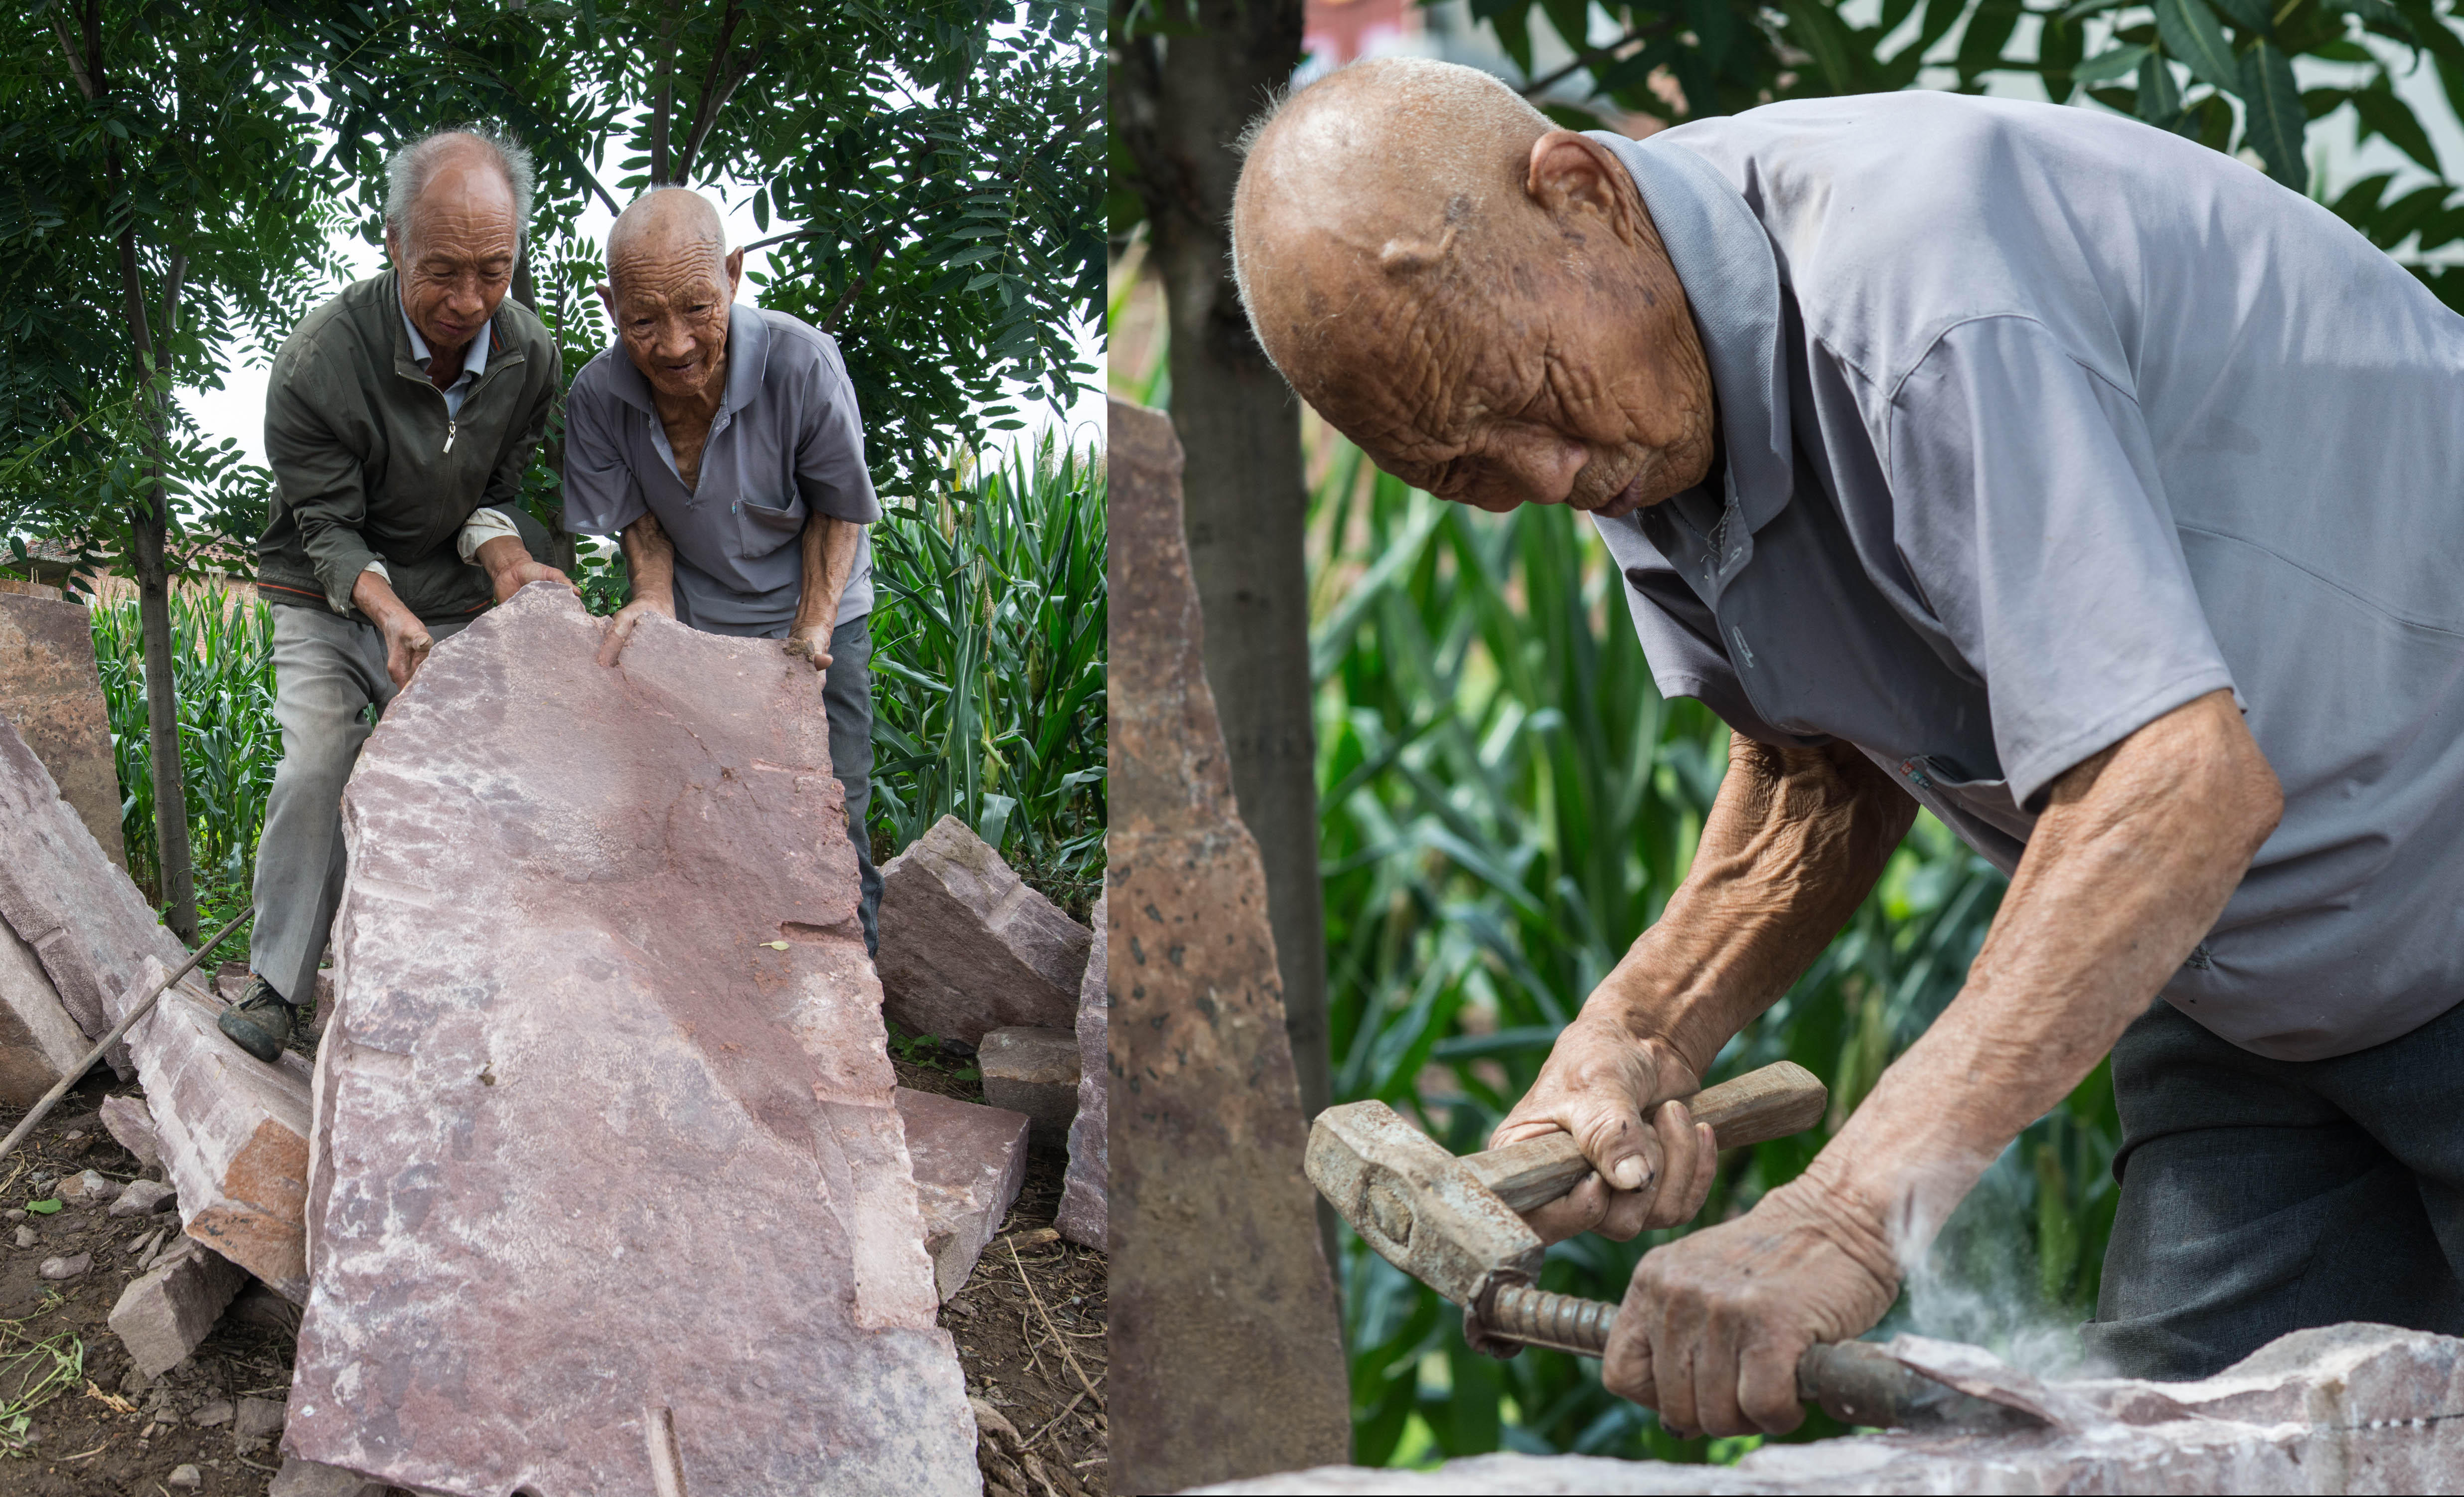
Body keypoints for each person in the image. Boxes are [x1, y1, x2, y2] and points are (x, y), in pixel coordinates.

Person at [1232, 58, 2464, 1430]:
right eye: (1463, 472)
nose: (1551, 479)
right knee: (2181, 1449)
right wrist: (1636, 1040)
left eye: (1532, 394)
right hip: (2241, 981)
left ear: (1580, 192)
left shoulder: (1920, 298)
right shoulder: (1637, 390)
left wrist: (1843, 1218)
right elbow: (1819, 767)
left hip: (2422, 869)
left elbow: (2171, 787)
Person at [230, 126, 570, 1062]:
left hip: (450, 599)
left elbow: (498, 492)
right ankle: (278, 989)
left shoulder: (530, 358)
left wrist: (504, 561)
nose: (469, 302)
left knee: (475, 783)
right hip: (326, 592)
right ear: (392, 243)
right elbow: (326, 529)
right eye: (444, 272)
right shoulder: (318, 362)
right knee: (318, 766)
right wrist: (386, 612)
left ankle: (460, 996)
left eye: (494, 273)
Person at [562, 187, 884, 952]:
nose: (674, 345)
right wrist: (652, 601)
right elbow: (639, 520)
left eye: (696, 309)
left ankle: (856, 1016)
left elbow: (837, 509)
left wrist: (809, 636)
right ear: (610, 307)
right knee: (702, 812)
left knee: (830, 812)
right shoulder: (599, 397)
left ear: (734, 276)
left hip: (821, 610)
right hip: (700, 622)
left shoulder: (803, 363)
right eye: (643, 320)